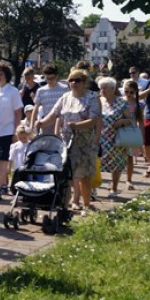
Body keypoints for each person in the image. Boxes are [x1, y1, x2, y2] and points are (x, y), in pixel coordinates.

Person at [38, 68, 102, 213]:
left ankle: (86, 205)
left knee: (84, 175)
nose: (73, 83)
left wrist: (77, 126)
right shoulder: (65, 97)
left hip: (85, 143)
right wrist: (41, 122)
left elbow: (94, 119)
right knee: (67, 175)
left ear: (84, 82)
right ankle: (66, 204)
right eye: (71, 80)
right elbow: (54, 114)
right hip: (66, 143)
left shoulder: (92, 97)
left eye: (77, 80)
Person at [0, 62, 24, 199]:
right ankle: (2, 185)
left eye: (1, 74)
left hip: (7, 131)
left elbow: (18, 112)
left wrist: (16, 131)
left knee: (3, 160)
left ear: (6, 76)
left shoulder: (12, 91)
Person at [98, 77, 132, 195]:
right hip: (100, 137)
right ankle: (93, 188)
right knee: (97, 162)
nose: (102, 90)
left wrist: (122, 122)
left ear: (112, 89)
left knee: (116, 163)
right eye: (100, 88)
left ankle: (114, 187)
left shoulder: (122, 102)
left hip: (117, 138)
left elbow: (130, 120)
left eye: (104, 88)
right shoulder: (98, 101)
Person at [29, 64, 67, 136]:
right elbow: (35, 109)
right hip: (46, 126)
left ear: (56, 76)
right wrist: (32, 126)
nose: (50, 81)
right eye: (47, 78)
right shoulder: (41, 91)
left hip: (61, 126)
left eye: (52, 78)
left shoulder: (65, 89)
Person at [121, 80, 143, 189]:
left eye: (131, 92)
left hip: (131, 131)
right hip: (119, 130)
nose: (128, 94)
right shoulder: (120, 101)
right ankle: (114, 180)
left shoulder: (138, 104)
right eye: (126, 92)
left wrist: (141, 136)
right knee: (117, 157)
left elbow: (141, 121)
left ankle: (128, 179)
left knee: (129, 157)